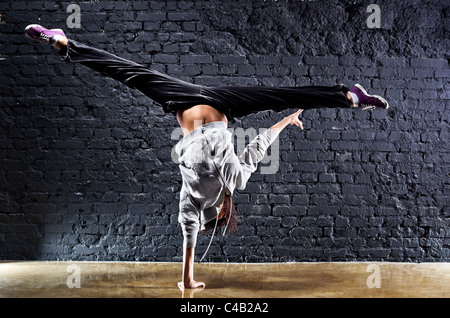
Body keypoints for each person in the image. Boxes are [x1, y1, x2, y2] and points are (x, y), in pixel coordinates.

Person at [25, 25, 389, 290]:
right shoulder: (212, 192)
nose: (226, 213)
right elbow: (259, 145)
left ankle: (64, 42)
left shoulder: (216, 192)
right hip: (210, 103)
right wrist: (286, 121)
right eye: (222, 215)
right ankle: (349, 97)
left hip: (193, 101)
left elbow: (191, 236)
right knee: (274, 96)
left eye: (222, 215)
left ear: (218, 213)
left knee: (132, 74)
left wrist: (187, 281)